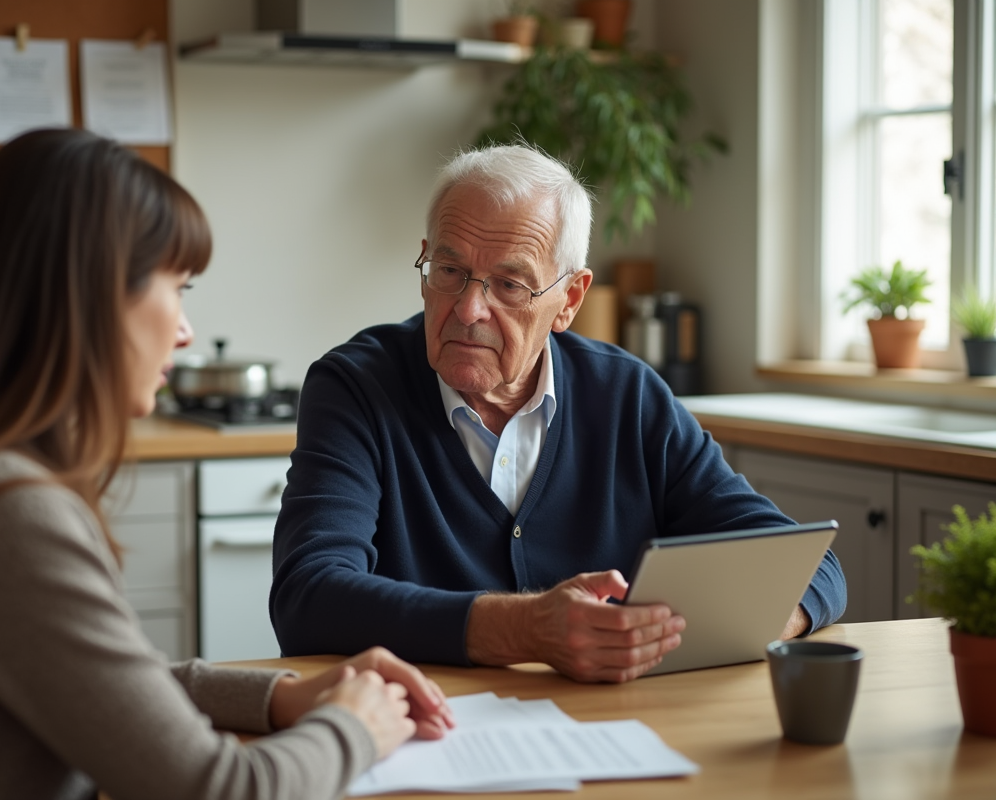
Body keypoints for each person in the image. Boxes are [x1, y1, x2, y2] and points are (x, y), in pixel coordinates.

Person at [0, 128, 452, 800]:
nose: (186, 329)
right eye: (179, 286)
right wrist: (355, 727)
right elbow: (220, 790)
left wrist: (283, 696)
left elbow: (100, 685)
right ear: (92, 295)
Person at [270, 144, 847, 684]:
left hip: (607, 737)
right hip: (423, 733)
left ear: (569, 301)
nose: (469, 309)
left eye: (510, 284)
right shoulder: (355, 386)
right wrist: (527, 628)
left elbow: (807, 563)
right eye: (448, 272)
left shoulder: (628, 395)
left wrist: (768, 619)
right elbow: (309, 598)